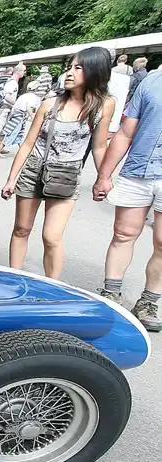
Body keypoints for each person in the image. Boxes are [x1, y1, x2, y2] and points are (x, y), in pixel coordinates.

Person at [0, 47, 115, 280]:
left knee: (51, 236)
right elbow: (27, 144)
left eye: (78, 68)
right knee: (21, 229)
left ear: (95, 72)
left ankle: (53, 287)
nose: (70, 73)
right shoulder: (50, 103)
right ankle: (13, 280)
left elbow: (100, 146)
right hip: (34, 169)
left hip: (66, 174)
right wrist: (12, 179)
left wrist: (104, 178)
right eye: (69, 67)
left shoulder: (104, 105)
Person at [93, 68, 162, 331]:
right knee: (123, 233)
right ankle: (111, 293)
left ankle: (148, 302)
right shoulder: (152, 82)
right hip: (138, 172)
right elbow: (125, 133)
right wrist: (104, 175)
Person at [0, 80, 41, 157]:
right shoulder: (33, 97)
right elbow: (29, 107)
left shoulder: (23, 96)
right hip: (20, 115)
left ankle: (25, 151)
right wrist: (33, 117)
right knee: (13, 133)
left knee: (19, 134)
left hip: (15, 114)